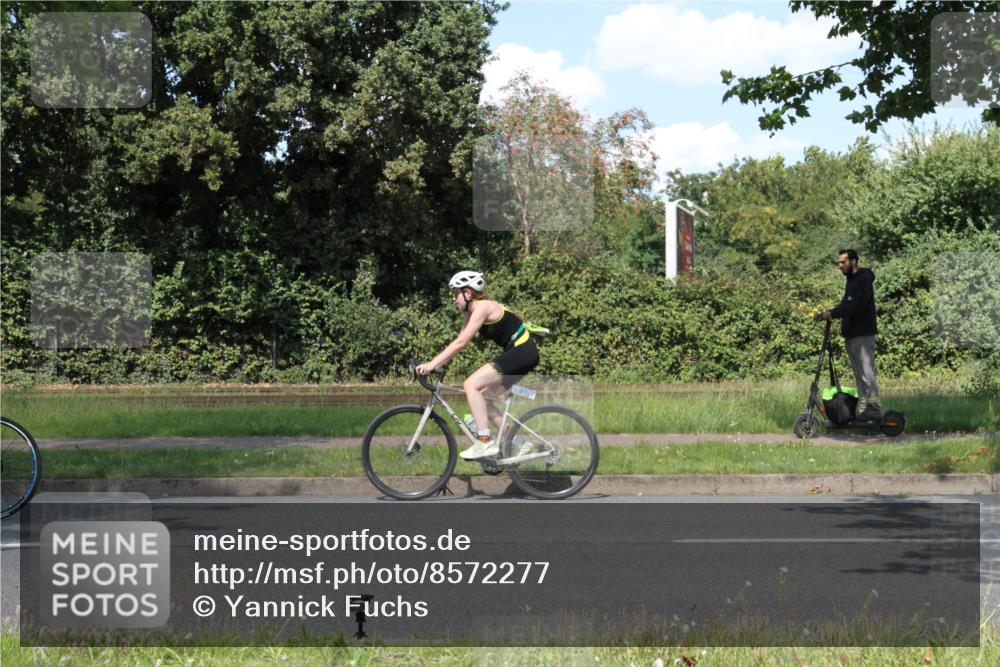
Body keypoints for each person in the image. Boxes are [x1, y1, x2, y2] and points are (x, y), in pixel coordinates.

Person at [416, 271, 540, 459]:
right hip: (520, 352)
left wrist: (431, 365)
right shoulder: (471, 312)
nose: (453, 298)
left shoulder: (483, 307)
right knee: (483, 397)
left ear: (468, 293)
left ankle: (485, 442)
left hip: (522, 351)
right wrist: (436, 363)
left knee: (470, 384)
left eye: (455, 293)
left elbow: (461, 343)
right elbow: (458, 341)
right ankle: (516, 442)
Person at [814, 249, 881, 421]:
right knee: (859, 374)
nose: (840, 265)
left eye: (843, 262)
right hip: (852, 334)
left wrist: (833, 313)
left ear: (853, 261)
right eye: (839, 262)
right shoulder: (851, 280)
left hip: (862, 334)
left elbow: (855, 306)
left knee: (867, 373)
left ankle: (874, 409)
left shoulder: (863, 280)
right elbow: (846, 305)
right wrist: (829, 314)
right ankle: (865, 409)